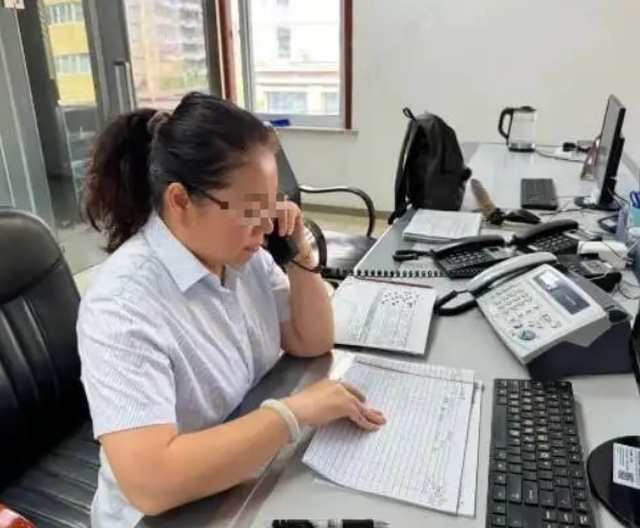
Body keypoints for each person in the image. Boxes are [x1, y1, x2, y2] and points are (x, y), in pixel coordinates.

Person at [77, 92, 386, 528]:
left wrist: (297, 250)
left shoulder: (243, 254)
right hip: (166, 515)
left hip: (239, 478)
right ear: (180, 201)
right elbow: (151, 483)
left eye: (271, 206)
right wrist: (294, 413)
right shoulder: (122, 304)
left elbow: (311, 339)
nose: (265, 225)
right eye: (249, 210)